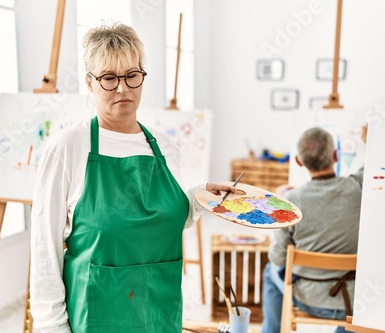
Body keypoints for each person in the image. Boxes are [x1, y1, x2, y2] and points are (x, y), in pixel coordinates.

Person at [30, 22, 234, 333]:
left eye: (131, 75)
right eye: (109, 78)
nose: (123, 88)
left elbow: (162, 220)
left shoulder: (164, 147)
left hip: (159, 314)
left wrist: (199, 197)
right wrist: (52, 328)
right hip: (96, 318)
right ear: (90, 82)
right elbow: (45, 251)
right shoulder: (69, 147)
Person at [261, 127, 366, 333]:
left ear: (299, 161)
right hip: (352, 302)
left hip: (307, 299)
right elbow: (376, 164)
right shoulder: (359, 188)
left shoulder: (291, 201)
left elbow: (278, 258)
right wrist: (369, 139)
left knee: (269, 270)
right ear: (336, 155)